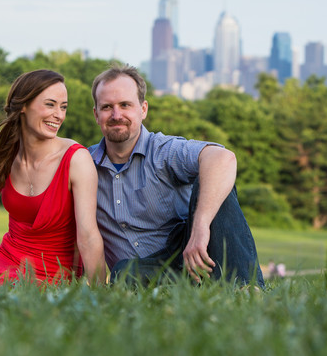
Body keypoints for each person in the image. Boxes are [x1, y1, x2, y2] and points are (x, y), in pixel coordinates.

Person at [88, 64, 264, 287]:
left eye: (125, 105)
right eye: (106, 107)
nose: (116, 115)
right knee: (123, 272)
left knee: (212, 181)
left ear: (143, 109)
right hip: (149, 273)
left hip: (194, 256)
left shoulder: (164, 151)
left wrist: (200, 228)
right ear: (96, 114)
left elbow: (223, 158)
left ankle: (246, 288)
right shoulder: (84, 165)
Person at [0, 69, 106, 285]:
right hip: (7, 257)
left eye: (63, 107)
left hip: (54, 273)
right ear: (24, 106)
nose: (59, 115)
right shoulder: (1, 144)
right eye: (50, 104)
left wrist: (100, 293)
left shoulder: (76, 159)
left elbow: (88, 235)